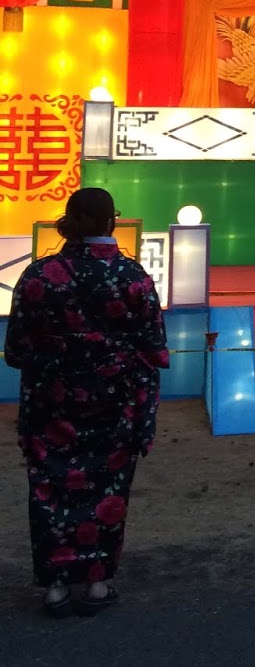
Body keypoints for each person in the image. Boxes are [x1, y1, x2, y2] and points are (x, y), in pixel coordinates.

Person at [3, 187, 168, 617]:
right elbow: (154, 348)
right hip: (115, 406)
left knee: (49, 489)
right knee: (106, 490)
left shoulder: (39, 276)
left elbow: (16, 351)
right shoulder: (133, 278)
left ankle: (56, 588)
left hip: (50, 408)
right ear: (111, 222)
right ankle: (97, 584)